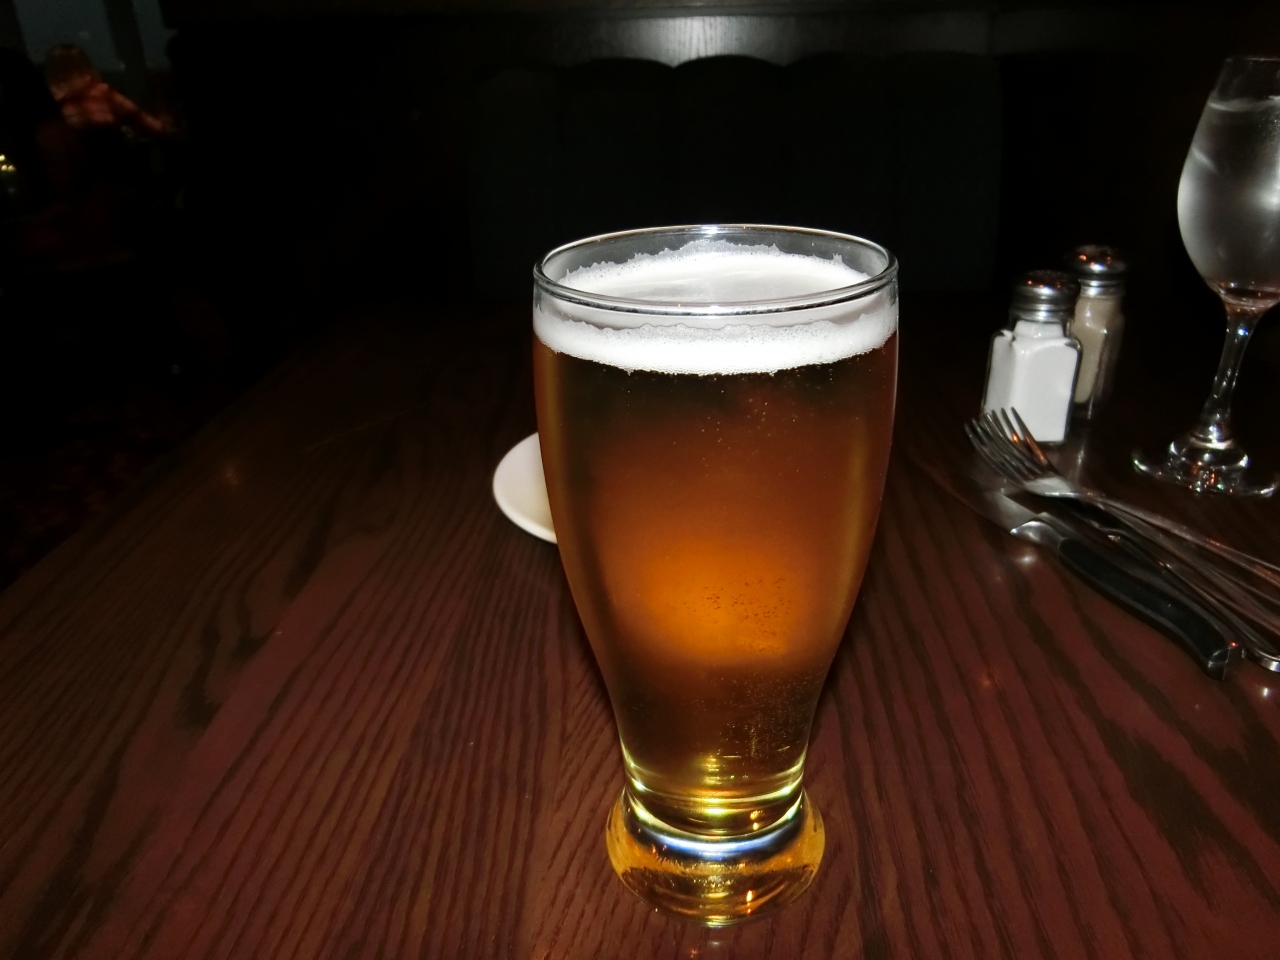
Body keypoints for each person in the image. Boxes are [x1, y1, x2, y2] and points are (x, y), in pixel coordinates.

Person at [45, 45, 172, 136]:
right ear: (85, 68)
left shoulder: (49, 105)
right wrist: (166, 130)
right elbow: (139, 117)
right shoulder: (102, 94)